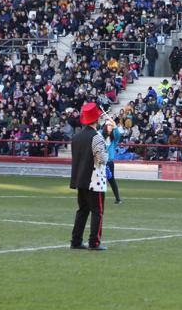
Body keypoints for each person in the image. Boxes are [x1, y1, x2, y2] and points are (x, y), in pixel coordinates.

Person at [70, 103, 109, 251]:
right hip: (95, 180)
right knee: (97, 211)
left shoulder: (76, 137)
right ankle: (94, 242)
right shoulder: (97, 137)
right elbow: (102, 159)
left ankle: (76, 240)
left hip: (80, 178)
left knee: (82, 210)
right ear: (96, 119)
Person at [103, 121, 124, 203]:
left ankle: (118, 198)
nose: (110, 126)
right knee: (100, 180)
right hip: (100, 161)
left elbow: (118, 134)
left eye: (111, 125)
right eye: (108, 125)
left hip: (109, 162)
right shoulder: (101, 135)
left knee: (111, 180)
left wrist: (115, 126)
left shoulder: (114, 139)